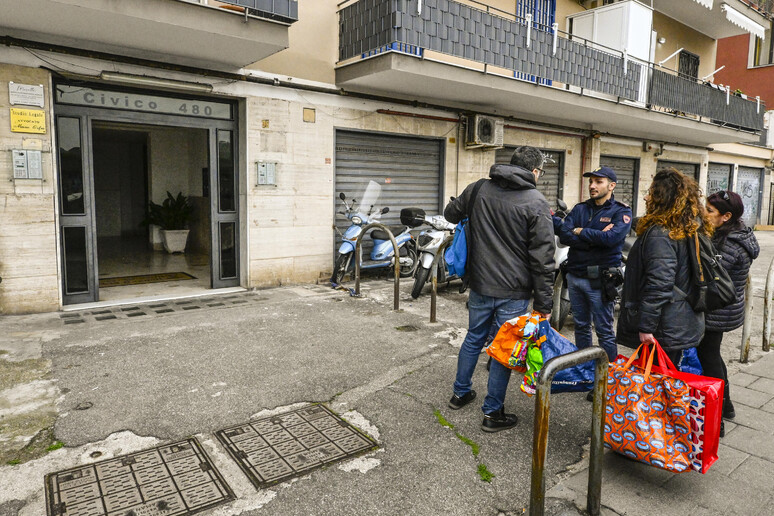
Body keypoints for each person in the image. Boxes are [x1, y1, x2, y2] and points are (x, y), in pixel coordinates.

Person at [444, 146, 555, 433]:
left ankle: (460, 393)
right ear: (534, 171)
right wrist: (544, 305)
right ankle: (492, 413)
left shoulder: (479, 188)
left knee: (474, 337)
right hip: (514, 291)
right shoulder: (537, 202)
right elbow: (543, 260)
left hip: (480, 283)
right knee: (503, 349)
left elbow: (450, 214)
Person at [617, 168, 710, 364]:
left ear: (662, 198)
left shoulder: (661, 234)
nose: (646, 197)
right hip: (677, 318)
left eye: (652, 193)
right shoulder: (687, 227)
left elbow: (659, 284)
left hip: (664, 324)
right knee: (667, 379)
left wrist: (646, 327)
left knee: (657, 383)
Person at [554, 166, 632, 363]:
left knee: (604, 330)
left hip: (600, 281)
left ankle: (607, 379)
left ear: (611, 185)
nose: (592, 185)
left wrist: (580, 232)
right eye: (591, 182)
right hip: (575, 276)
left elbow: (611, 239)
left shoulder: (621, 211)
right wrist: (594, 236)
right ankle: (585, 370)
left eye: (599, 182)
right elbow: (564, 234)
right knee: (581, 326)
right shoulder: (581, 208)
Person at [699, 190, 759, 435]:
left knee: (709, 357)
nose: (704, 213)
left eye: (710, 211)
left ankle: (719, 414)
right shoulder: (728, 235)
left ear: (726, 216)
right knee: (712, 355)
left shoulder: (729, 244)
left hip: (717, 308)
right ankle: (727, 405)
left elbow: (708, 276)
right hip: (723, 307)